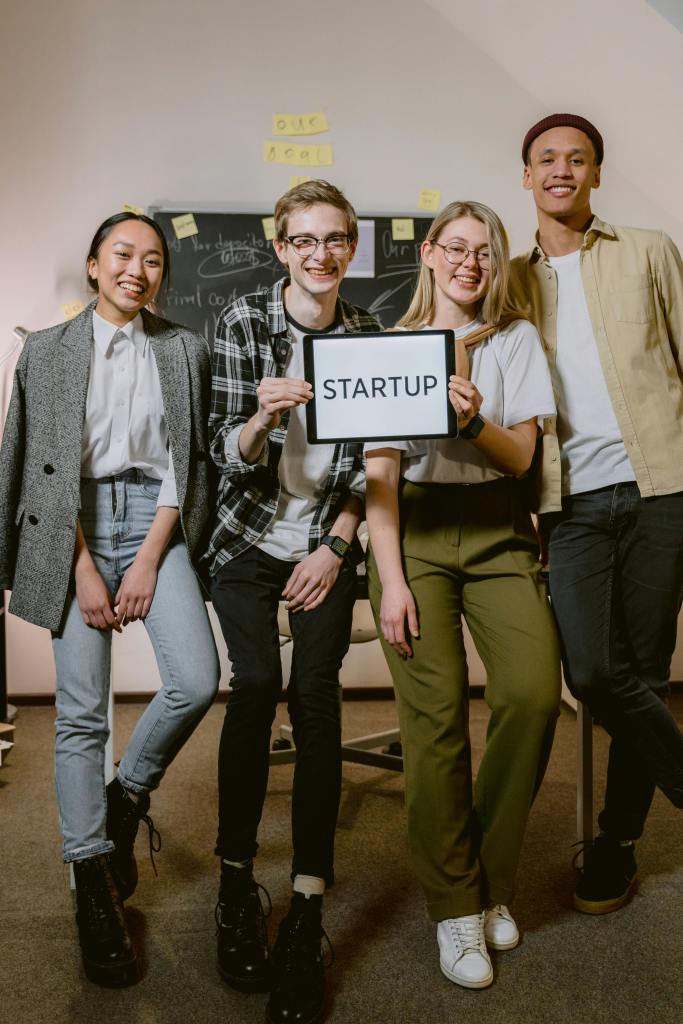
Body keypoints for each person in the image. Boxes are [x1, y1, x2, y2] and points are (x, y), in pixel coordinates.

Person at [0, 213, 220, 987]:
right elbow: (34, 463)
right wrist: (81, 569)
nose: (138, 270)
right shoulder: (46, 350)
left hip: (157, 521)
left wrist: (150, 559)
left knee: (197, 679)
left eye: (153, 260)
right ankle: (91, 881)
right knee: (81, 713)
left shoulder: (184, 348)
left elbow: (188, 462)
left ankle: (123, 799)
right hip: (75, 526)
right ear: (94, 265)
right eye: (122, 254)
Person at [364, 200, 561, 989]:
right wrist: (391, 583)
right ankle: (453, 905)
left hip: (496, 530)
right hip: (413, 534)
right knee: (435, 719)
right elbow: (380, 475)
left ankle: (489, 882)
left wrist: (475, 422)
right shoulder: (389, 348)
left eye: (483, 251)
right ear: (429, 254)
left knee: (531, 695)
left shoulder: (514, 340)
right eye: (454, 247)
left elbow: (520, 458)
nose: (468, 263)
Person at [206, 180, 379, 1024]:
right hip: (245, 539)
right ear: (280, 248)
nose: (320, 254)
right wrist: (257, 417)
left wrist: (335, 545)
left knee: (314, 695)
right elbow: (223, 453)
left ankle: (307, 903)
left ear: (352, 246)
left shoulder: (369, 336)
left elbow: (379, 464)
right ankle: (236, 882)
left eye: (334, 239)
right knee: (253, 686)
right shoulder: (243, 322)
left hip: (324, 541)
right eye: (303, 240)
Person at [510, 113, 683, 914]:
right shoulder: (511, 281)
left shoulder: (648, 251)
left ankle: (615, 844)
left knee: (643, 673)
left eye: (576, 158)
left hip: (660, 489)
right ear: (526, 176)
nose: (561, 170)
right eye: (546, 158)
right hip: (569, 501)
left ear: (595, 174)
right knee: (589, 671)